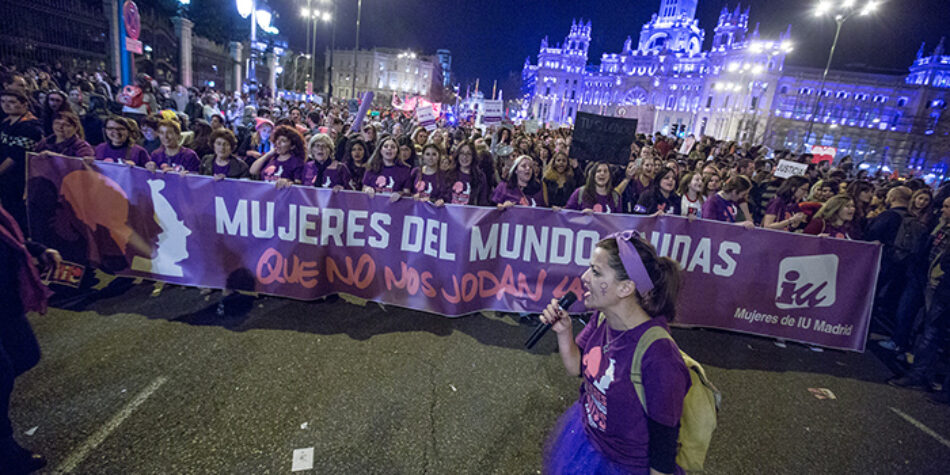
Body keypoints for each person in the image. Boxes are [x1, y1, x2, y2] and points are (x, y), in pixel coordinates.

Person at [540, 231, 689, 474]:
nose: (585, 277)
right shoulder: (601, 318)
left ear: (626, 287)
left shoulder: (659, 357)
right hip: (588, 443)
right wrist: (564, 331)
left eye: (596, 272)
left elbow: (663, 449)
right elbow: (577, 367)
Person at [0, 203, 58, 473]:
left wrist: (35, 250)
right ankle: (5, 452)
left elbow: (8, 237)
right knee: (2, 372)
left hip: (6, 303)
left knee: (25, 354)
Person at [888, 197, 950, 404]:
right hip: (935, 284)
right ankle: (921, 374)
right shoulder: (940, 227)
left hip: (942, 286)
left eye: (948, 207)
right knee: (929, 332)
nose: (943, 210)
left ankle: (926, 377)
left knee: (932, 333)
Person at [0, 89, 43, 231]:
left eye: (12, 102)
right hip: (5, 181)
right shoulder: (6, 123)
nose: (6, 105)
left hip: (18, 181)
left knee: (17, 217)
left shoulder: (31, 127)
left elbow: (15, 157)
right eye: (3, 102)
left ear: (24, 104)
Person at [443, 140, 488, 206]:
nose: (464, 157)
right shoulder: (448, 174)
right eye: (462, 153)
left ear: (473, 156)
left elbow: (482, 202)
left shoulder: (480, 177)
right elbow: (442, 196)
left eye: (468, 154)